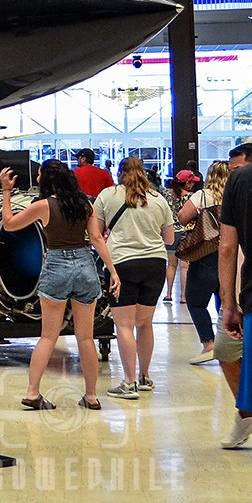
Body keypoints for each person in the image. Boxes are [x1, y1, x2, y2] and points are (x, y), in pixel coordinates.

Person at [0, 160, 121, 409]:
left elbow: (10, 224)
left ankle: (33, 393)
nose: (38, 178)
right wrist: (113, 271)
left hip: (56, 266)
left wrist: (6, 192)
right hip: (85, 265)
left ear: (48, 179)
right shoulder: (84, 205)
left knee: (48, 336)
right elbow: (97, 238)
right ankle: (91, 397)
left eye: (40, 174)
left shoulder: (43, 206)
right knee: (86, 338)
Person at [93, 156, 174, 399]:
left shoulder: (107, 195)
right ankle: (145, 377)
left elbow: (96, 234)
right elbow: (169, 239)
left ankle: (128, 383)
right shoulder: (159, 199)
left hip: (122, 265)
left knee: (124, 325)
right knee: (144, 323)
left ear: (119, 173)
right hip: (155, 264)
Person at [218, 143, 252, 447]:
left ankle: (245, 415)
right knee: (227, 350)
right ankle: (245, 415)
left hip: (251, 292)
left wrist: (228, 302)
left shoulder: (240, 182)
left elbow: (227, 246)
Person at [176, 161, 228, 364]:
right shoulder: (237, 196)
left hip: (206, 253)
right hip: (232, 255)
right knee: (225, 302)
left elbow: (181, 218)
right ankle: (230, 345)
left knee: (196, 301)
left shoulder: (203, 196)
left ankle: (209, 343)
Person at [164, 169, 201, 303]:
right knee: (185, 267)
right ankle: (184, 296)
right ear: (187, 183)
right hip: (186, 232)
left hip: (170, 232)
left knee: (171, 265)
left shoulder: (166, 194)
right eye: (191, 182)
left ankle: (168, 294)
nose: (193, 185)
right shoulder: (191, 197)